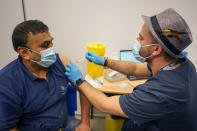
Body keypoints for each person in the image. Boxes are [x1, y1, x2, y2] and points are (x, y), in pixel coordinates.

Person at [65, 8, 197, 131]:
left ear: (156, 49)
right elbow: (135, 68)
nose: (136, 40)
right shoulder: (183, 65)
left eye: (141, 38)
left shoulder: (159, 93)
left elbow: (103, 104)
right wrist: (105, 61)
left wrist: (79, 81)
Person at [0, 20, 91, 131]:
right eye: (45, 45)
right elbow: (9, 128)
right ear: (24, 52)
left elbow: (84, 89)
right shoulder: (7, 82)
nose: (52, 49)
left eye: (51, 42)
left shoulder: (61, 61)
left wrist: (85, 123)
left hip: (63, 124)